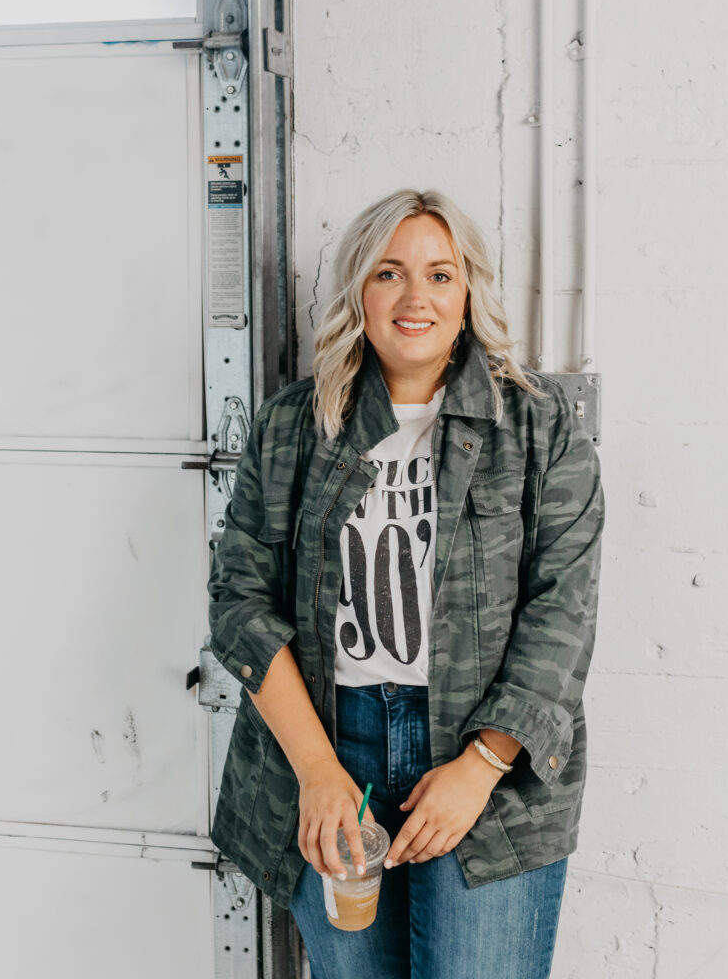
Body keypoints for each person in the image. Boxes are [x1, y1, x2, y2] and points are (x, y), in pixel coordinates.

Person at [207, 188, 605, 979]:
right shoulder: (293, 425)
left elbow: (563, 610)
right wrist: (317, 774)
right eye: (389, 273)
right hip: (327, 750)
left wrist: (479, 769)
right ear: (359, 289)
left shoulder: (539, 426)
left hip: (482, 758)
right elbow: (240, 602)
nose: (415, 297)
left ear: (468, 294)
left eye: (439, 274)